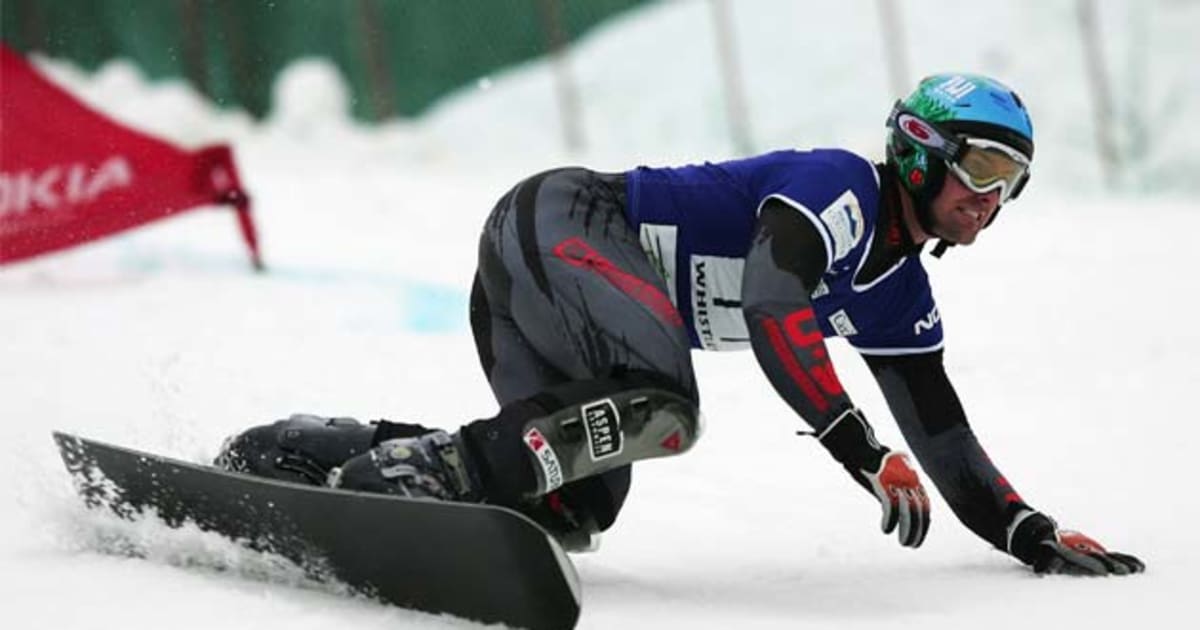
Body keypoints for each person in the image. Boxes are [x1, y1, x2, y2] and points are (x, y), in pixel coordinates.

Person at [216, 73, 1144, 575]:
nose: (990, 198)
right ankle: (407, 478)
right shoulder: (842, 186)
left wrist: (1026, 530)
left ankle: (313, 451)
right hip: (561, 224)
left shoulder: (897, 287)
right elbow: (775, 304)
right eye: (980, 166)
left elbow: (941, 433)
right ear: (919, 153)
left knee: (573, 500)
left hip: (553, 288)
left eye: (1009, 181)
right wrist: (860, 451)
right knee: (661, 405)